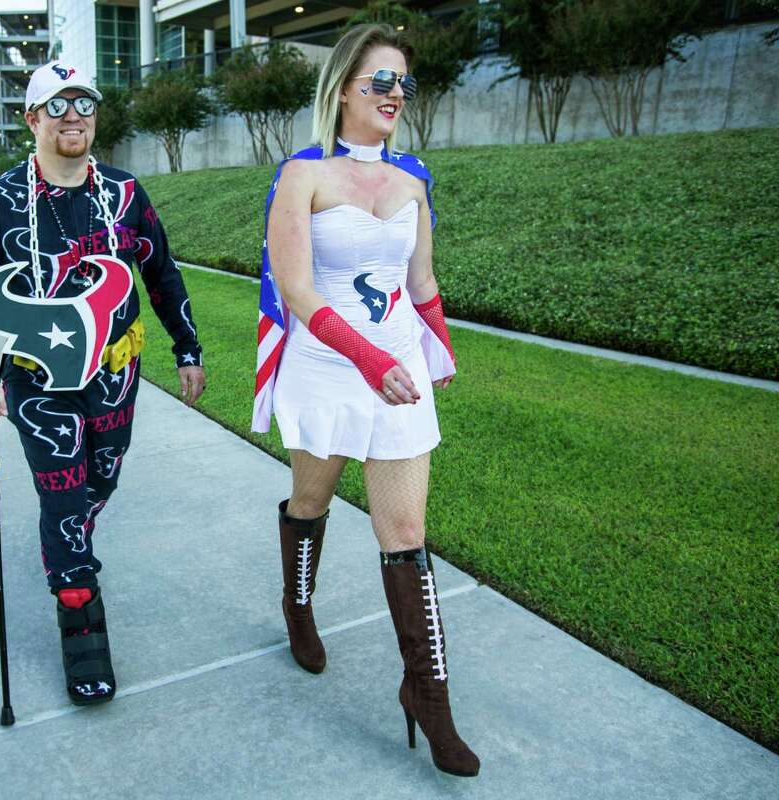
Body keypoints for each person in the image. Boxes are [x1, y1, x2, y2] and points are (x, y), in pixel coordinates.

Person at [254, 24, 478, 777]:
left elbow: (419, 284)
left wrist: (437, 345)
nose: (394, 95)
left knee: (407, 529)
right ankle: (297, 604)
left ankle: (429, 695)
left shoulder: (413, 180)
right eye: (380, 81)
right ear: (345, 86)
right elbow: (297, 289)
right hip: (328, 368)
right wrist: (366, 357)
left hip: (398, 370)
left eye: (403, 84)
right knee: (311, 501)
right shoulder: (303, 176)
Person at [0, 61, 206, 706]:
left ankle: (67, 549)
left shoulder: (124, 193)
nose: (74, 117)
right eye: (58, 106)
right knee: (63, 499)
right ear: (32, 119)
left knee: (102, 479)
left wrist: (187, 348)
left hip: (117, 372)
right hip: (36, 383)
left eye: (84, 105)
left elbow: (163, 275)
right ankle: (80, 617)